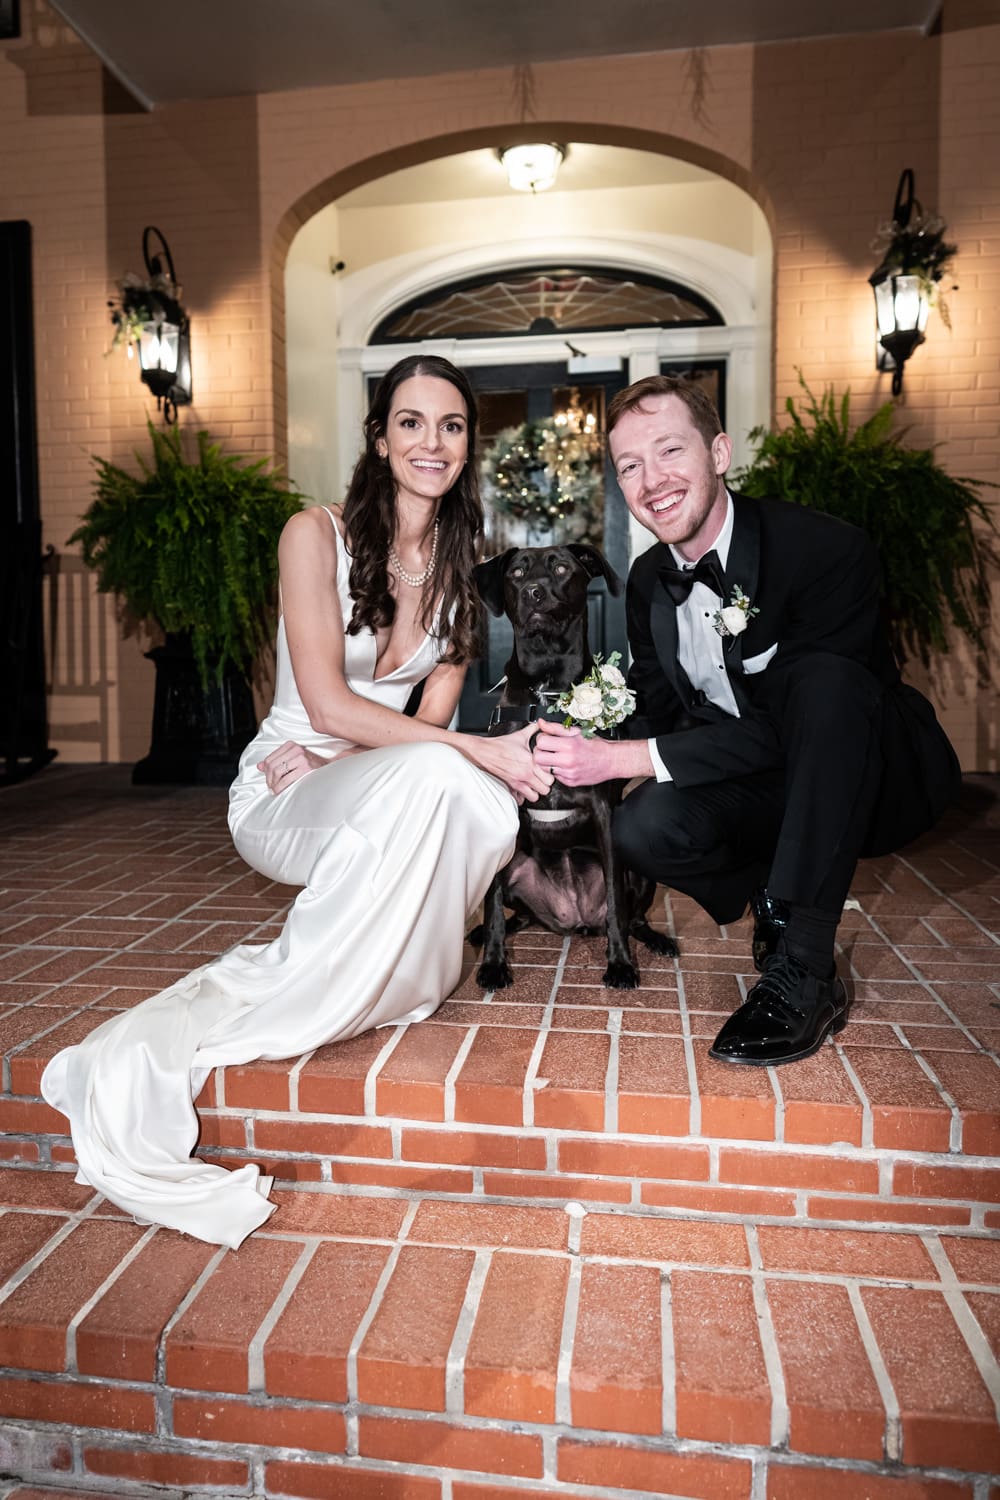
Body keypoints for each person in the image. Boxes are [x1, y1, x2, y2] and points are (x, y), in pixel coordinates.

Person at [42, 354, 551, 1247]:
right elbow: (322, 704)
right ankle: (331, 987)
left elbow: (423, 718)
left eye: (452, 426)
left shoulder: (464, 568)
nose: (431, 442)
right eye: (411, 422)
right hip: (286, 787)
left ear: (469, 445)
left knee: (475, 801)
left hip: (366, 771)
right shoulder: (311, 535)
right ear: (379, 436)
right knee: (458, 777)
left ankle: (395, 980)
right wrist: (470, 749)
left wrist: (392, 747)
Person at [533, 375, 960, 1067]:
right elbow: (658, 705)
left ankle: (806, 967)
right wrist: (571, 743)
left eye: (670, 451)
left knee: (824, 683)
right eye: (630, 466)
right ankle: (776, 899)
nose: (652, 481)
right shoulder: (648, 580)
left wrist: (630, 760)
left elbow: (813, 721)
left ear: (720, 452)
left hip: (869, 777)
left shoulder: (824, 550)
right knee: (647, 825)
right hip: (762, 780)